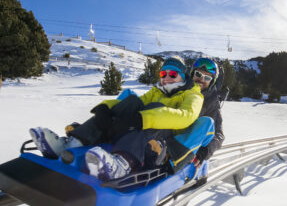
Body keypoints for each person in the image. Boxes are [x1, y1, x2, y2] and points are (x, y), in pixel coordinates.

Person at [29, 57, 215, 181]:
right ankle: (72, 143)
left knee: (153, 109)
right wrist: (107, 109)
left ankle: (121, 165)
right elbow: (136, 103)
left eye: (172, 74)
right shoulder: (157, 91)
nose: (166, 78)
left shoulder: (193, 95)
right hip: (145, 127)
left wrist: (144, 118)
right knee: (131, 101)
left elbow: (186, 117)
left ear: (183, 77)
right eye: (163, 74)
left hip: (164, 140)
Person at [190, 58, 225, 168]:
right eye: (198, 74)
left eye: (207, 77)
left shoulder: (212, 102)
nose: (201, 79)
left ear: (211, 81)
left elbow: (219, 134)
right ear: (192, 74)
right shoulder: (180, 90)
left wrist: (205, 151)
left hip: (192, 149)